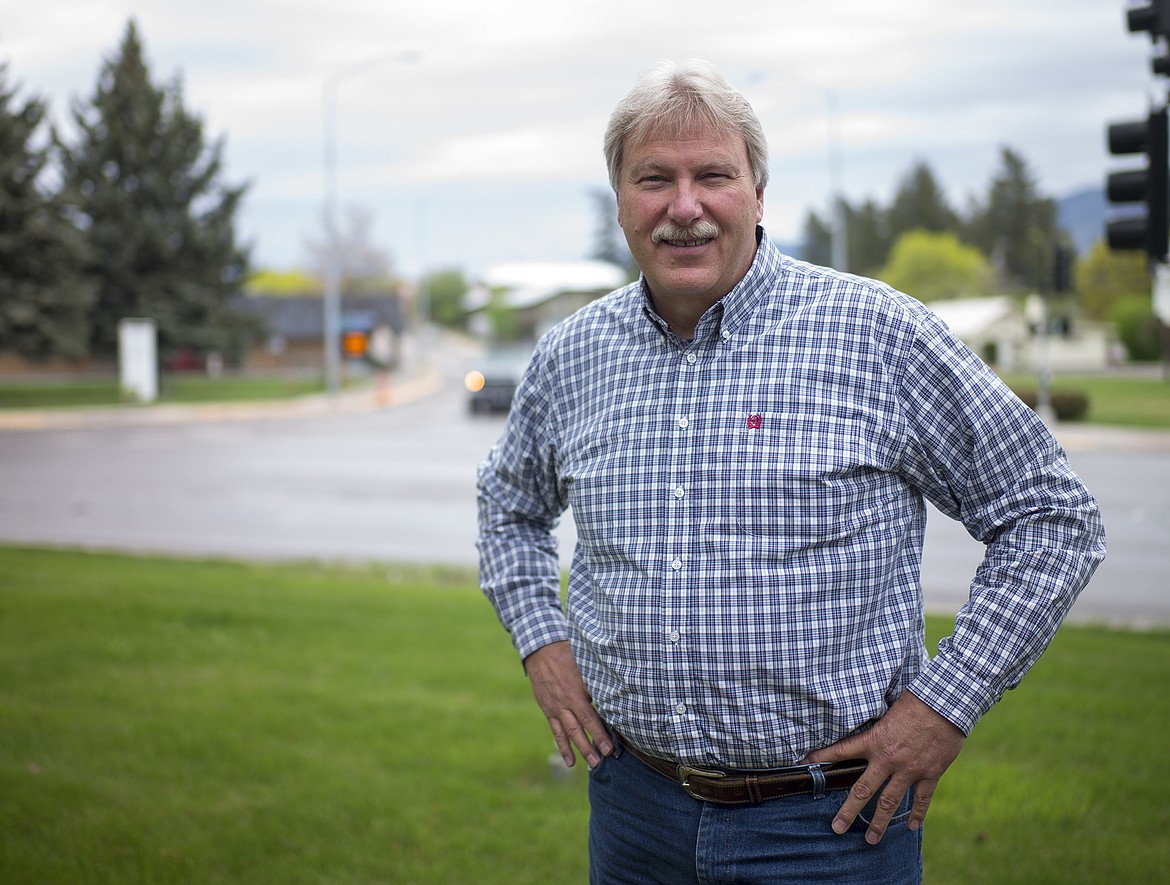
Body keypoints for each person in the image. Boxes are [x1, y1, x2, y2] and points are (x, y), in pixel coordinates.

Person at [476, 59, 1105, 884]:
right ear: (621, 200)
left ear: (759, 193)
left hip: (830, 829)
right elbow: (507, 505)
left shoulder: (876, 334)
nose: (685, 206)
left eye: (713, 175)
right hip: (634, 811)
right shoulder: (572, 355)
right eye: (654, 179)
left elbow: (1052, 516)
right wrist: (542, 643)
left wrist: (944, 706)